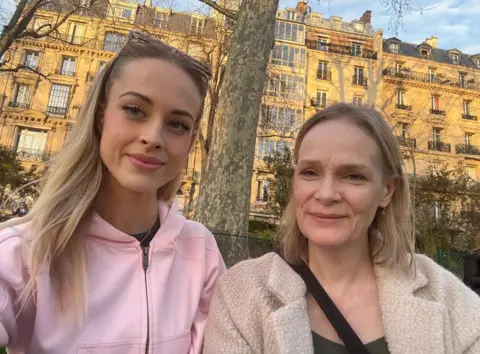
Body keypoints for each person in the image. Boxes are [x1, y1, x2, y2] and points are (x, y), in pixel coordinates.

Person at [0, 30, 225, 353]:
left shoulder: (201, 251)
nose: (153, 137)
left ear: (190, 143)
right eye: (135, 110)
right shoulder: (24, 254)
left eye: (177, 124)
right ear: (100, 116)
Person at [204, 103, 480, 354]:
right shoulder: (242, 294)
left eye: (353, 176)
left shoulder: (447, 298)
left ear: (387, 191)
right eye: (310, 172)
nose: (326, 194)